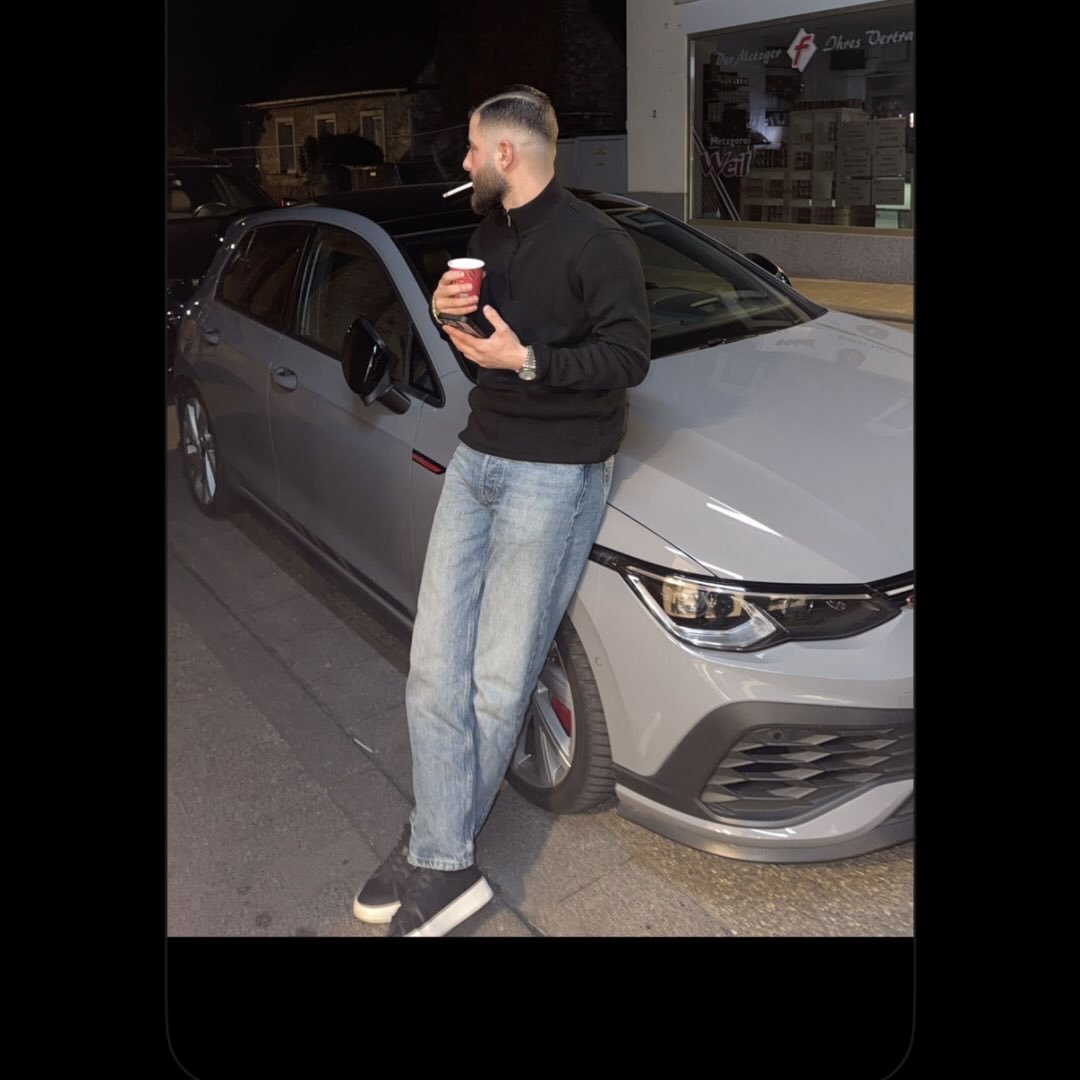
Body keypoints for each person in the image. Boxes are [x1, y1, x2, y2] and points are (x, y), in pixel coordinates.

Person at [353, 85, 650, 937]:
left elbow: (629, 357)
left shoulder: (598, 242)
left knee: (497, 677)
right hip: (479, 458)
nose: (465, 162)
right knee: (432, 666)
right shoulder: (488, 236)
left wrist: (529, 361)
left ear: (506, 154)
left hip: (554, 474)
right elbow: (486, 351)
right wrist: (451, 319)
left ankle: (438, 855)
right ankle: (438, 844)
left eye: (473, 149)